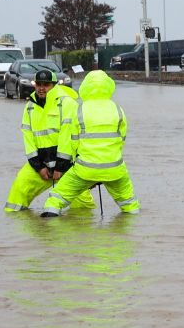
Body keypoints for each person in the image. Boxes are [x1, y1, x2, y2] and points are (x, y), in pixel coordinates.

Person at [42, 70, 139, 217]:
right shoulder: (117, 109)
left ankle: (50, 229)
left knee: (56, 198)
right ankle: (132, 231)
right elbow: (121, 138)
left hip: (85, 168)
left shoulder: (80, 110)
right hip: (115, 168)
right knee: (129, 202)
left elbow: (73, 141)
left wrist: (77, 161)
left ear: (85, 87)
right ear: (108, 86)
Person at [3, 69, 94, 212]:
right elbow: (28, 139)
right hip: (41, 165)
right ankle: (15, 226)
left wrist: (60, 167)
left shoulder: (67, 104)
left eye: (46, 85)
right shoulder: (30, 107)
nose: (41, 88)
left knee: (83, 208)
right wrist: (38, 167)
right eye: (38, 84)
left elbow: (68, 137)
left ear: (54, 85)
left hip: (68, 166)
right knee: (19, 191)